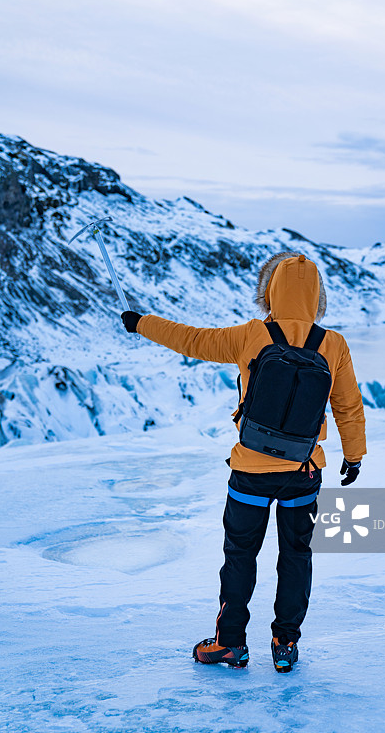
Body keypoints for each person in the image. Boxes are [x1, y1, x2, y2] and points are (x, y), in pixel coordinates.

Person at [121, 251, 366, 672]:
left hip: (250, 470)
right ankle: (285, 643)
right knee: (296, 555)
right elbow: (349, 407)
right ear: (316, 296)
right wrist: (354, 456)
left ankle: (230, 643)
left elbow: (190, 339)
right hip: (303, 473)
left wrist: (141, 322)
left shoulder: (252, 335)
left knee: (239, 555)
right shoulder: (333, 344)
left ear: (270, 290)